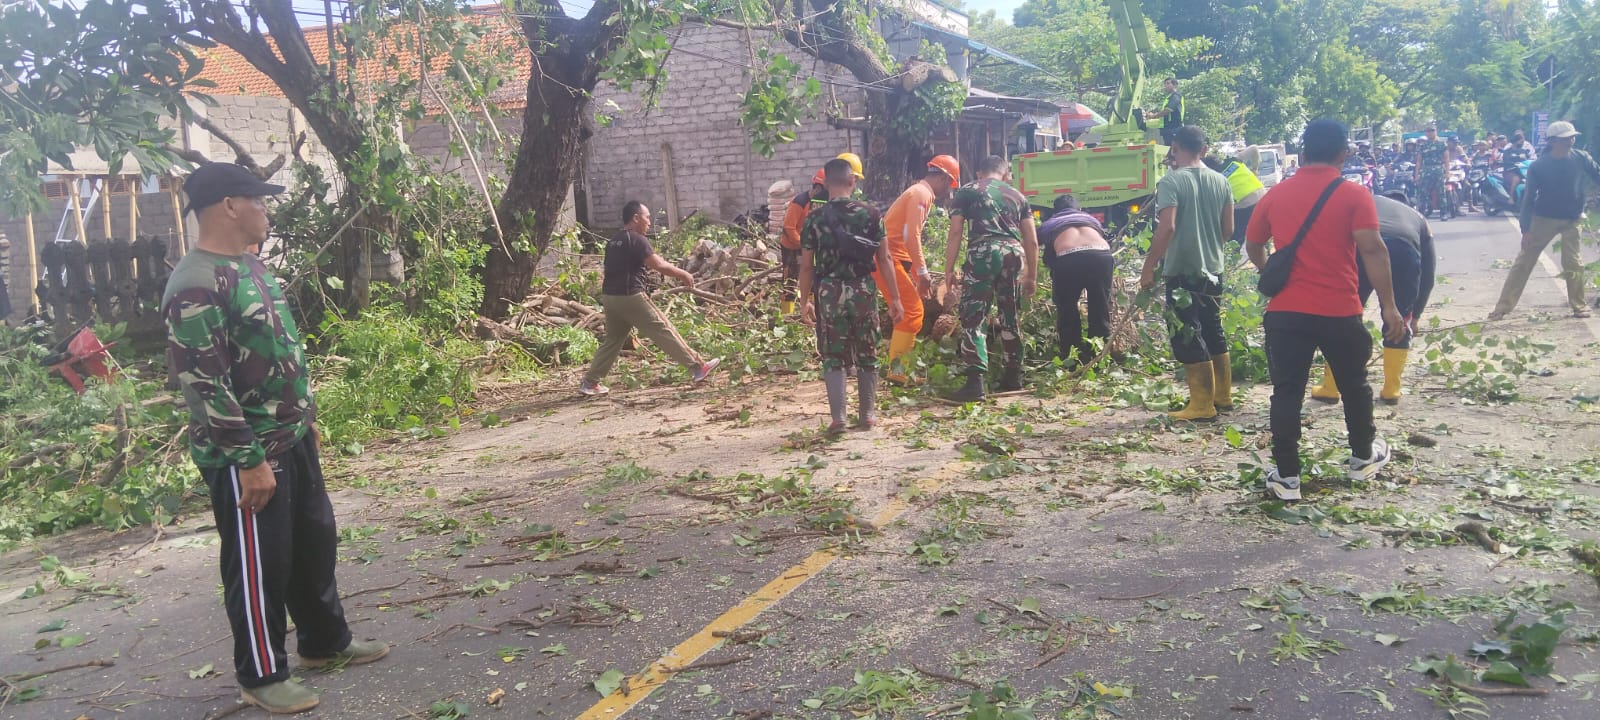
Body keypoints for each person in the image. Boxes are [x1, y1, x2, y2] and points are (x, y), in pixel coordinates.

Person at [162, 163, 390, 714]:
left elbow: (279, 348)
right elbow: (203, 382)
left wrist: (305, 414)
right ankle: (261, 675)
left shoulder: (250, 265)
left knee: (314, 543)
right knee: (260, 562)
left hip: (290, 437)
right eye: (258, 201)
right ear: (230, 206)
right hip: (249, 452)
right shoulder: (195, 281)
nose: (267, 210)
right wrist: (247, 459)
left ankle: (324, 642)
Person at [1246, 119, 1406, 501]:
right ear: (1343, 154)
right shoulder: (1354, 196)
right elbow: (1373, 249)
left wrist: (1272, 271)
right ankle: (1362, 457)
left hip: (1286, 314)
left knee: (1287, 393)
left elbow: (1253, 245)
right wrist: (1389, 307)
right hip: (1340, 311)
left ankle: (1287, 478)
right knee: (1354, 387)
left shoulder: (1277, 194)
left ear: (1301, 153)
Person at [798, 158, 904, 432]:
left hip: (829, 292)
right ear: (852, 181)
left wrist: (804, 301)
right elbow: (885, 258)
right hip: (862, 290)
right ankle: (867, 414)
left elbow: (806, 264)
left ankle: (838, 418)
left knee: (833, 354)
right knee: (867, 351)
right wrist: (894, 298)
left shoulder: (813, 218)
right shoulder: (871, 214)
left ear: (824, 184)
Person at [1140, 126, 1234, 421]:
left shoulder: (1171, 181)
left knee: (1187, 334)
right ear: (1203, 149)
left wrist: (1149, 265)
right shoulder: (1221, 181)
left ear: (1175, 148)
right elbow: (1228, 230)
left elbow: (1167, 227)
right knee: (1212, 328)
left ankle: (1201, 406)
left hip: (1183, 269)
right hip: (1214, 270)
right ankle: (1222, 396)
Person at [579, 202, 721, 395]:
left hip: (610, 298)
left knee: (613, 339)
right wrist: (684, 274)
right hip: (631, 296)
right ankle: (698, 367)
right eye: (646, 217)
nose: (649, 222)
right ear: (635, 218)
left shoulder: (614, 241)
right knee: (662, 328)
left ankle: (590, 382)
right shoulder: (637, 239)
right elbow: (659, 264)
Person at [1311, 190, 1436, 405]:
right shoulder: (1419, 219)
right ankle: (1391, 390)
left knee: (1343, 318)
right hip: (1403, 252)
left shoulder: (1365, 203)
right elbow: (1428, 274)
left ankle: (1330, 388)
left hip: (1361, 247)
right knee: (1397, 317)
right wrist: (1414, 316)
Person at [942, 155, 1039, 401]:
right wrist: (1032, 276)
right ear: (1005, 174)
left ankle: (976, 382)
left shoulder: (968, 191)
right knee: (1011, 314)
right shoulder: (1018, 196)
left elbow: (955, 231)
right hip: (1013, 254)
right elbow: (1032, 241)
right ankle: (1012, 376)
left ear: (979, 173)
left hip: (983, 253)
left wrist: (949, 269)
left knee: (974, 315)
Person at [1488, 121, 1600, 321]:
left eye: (1572, 137)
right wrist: (1525, 229)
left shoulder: (1581, 158)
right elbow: (1528, 199)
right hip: (1543, 218)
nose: (1571, 141)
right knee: (1524, 261)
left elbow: (1597, 175)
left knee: (1573, 262)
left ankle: (1579, 306)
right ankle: (1502, 308)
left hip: (1573, 218)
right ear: (1554, 141)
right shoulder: (1539, 166)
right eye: (1566, 138)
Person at [876, 155, 958, 385]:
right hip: (887, 258)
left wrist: (917, 275)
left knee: (909, 311)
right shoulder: (921, 194)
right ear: (943, 178)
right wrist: (922, 274)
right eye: (948, 185)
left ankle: (899, 369)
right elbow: (910, 235)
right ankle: (898, 372)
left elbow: (905, 236)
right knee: (911, 312)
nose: (947, 191)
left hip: (893, 258)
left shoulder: (918, 193)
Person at [1041, 194, 1114, 366]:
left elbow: (1044, 254)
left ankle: (1071, 358)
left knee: (1067, 309)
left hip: (1069, 258)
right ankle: (1099, 358)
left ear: (1055, 212)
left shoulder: (1050, 223)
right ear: (1079, 210)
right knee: (1099, 307)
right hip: (1101, 256)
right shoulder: (1091, 220)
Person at [780, 170, 827, 315]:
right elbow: (789, 227)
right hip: (792, 247)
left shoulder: (821, 203)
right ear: (818, 188)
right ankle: (786, 314)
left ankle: (810, 311)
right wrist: (804, 244)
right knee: (790, 281)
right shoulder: (800, 202)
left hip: (810, 246)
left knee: (813, 279)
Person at [1203, 153, 1266, 243]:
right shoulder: (1234, 160)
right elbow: (1254, 148)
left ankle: (1232, 252)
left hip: (1245, 204)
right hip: (1263, 196)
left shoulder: (1215, 178)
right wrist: (1255, 169)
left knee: (1234, 236)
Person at [1414, 125, 1451, 219]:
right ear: (1426, 133)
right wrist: (1417, 174)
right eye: (1428, 131)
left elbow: (1446, 159)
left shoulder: (1442, 144)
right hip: (1426, 170)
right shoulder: (1423, 146)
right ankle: (1422, 213)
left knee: (1441, 192)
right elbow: (1419, 161)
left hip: (1438, 169)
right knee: (1423, 192)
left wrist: (1447, 172)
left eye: (1432, 130)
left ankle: (1443, 213)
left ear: (1436, 131)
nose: (1430, 133)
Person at [1145, 77, 1185, 147]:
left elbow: (1168, 110)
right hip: (1168, 129)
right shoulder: (1168, 98)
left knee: (1173, 150)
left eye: (1168, 83)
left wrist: (1154, 116)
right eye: (1165, 84)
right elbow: (1164, 111)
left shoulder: (1176, 96)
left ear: (1175, 85)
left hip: (1174, 128)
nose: (1165, 86)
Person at [1500, 130, 1535, 198]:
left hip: (1522, 172)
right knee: (1516, 179)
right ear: (1516, 141)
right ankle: (1511, 197)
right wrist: (1518, 158)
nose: (1522, 143)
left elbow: (1529, 160)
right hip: (1510, 172)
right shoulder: (1507, 151)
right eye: (1521, 141)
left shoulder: (1523, 151)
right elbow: (1506, 161)